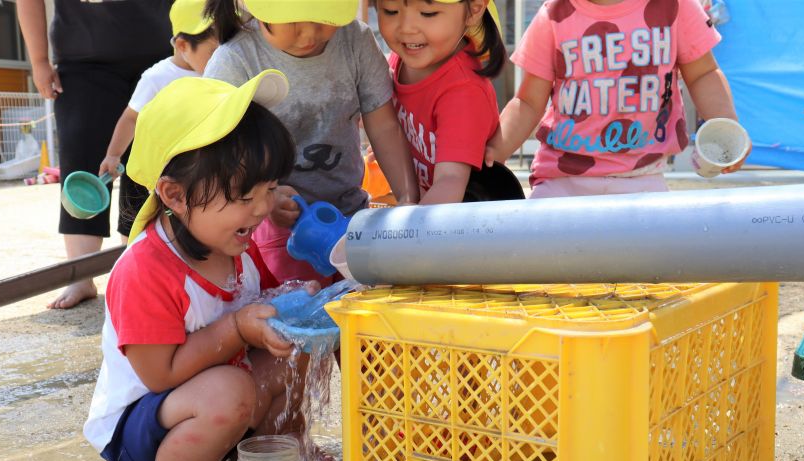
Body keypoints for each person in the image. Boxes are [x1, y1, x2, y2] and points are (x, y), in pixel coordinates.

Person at [84, 70, 310, 461]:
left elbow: (261, 305)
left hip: (208, 402)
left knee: (290, 350)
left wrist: (294, 307)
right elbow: (160, 376)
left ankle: (274, 455)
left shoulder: (234, 244)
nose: (262, 208)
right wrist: (236, 329)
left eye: (269, 189)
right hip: (142, 431)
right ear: (174, 195)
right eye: (245, 196)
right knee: (230, 389)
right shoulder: (145, 269)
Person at [201, 0, 420, 285]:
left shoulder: (355, 41)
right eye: (292, 23)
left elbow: (384, 125)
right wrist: (269, 197)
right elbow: (221, 155)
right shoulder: (237, 60)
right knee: (301, 313)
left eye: (322, 21)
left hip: (351, 213)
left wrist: (406, 196)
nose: (308, 36)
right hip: (279, 226)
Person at [484, 0, 747, 198]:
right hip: (562, 179)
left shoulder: (673, 6)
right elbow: (528, 102)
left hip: (642, 178)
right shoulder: (555, 14)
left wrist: (727, 127)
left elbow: (702, 73)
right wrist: (493, 155)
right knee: (543, 264)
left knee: (650, 266)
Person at [16, 0, 172, 310]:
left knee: (148, 164)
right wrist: (38, 60)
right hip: (83, 56)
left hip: (162, 50)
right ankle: (81, 274)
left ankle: (140, 265)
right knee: (82, 158)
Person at [376, 0, 507, 204]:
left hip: (458, 224)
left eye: (428, 14)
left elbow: (450, 181)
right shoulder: (402, 59)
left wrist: (407, 231)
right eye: (391, 11)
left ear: (474, 10)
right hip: (418, 203)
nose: (406, 28)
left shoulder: (464, 90)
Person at [98, 0, 219, 179]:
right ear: (183, 45)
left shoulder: (222, 72)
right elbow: (131, 118)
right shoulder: (157, 78)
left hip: (212, 167)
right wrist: (113, 155)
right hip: (169, 173)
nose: (221, 57)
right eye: (213, 52)